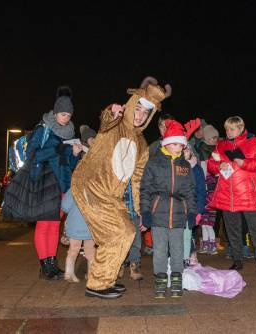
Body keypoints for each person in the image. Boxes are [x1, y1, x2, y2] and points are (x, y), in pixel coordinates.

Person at [71, 77, 171, 299]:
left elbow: (137, 179)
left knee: (127, 230)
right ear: (131, 105)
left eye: (146, 113)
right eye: (138, 109)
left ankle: (103, 280)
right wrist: (111, 111)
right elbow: (105, 121)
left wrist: (139, 210)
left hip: (112, 196)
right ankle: (97, 284)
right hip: (91, 186)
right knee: (115, 232)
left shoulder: (142, 143)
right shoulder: (115, 123)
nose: (140, 115)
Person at [25, 85, 83, 280]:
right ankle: (45, 266)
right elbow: (32, 155)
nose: (65, 118)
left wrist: (74, 154)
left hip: (62, 186)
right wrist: (56, 149)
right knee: (44, 225)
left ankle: (52, 264)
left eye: (68, 115)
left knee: (55, 225)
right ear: (55, 112)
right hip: (44, 182)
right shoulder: (43, 129)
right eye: (62, 114)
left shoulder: (69, 132)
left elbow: (68, 163)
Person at [140, 119, 197, 298]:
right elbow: (146, 189)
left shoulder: (185, 166)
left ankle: (177, 280)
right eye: (175, 144)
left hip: (179, 214)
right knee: (160, 250)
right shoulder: (154, 163)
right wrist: (146, 212)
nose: (178, 148)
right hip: (159, 214)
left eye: (181, 144)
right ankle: (160, 281)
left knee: (178, 249)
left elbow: (190, 190)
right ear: (166, 143)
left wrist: (192, 212)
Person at [207, 116, 256, 275]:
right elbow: (210, 164)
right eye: (227, 129)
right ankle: (237, 260)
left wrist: (245, 163)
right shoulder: (221, 145)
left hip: (249, 194)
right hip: (228, 195)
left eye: (232, 129)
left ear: (241, 128)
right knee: (232, 230)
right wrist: (218, 165)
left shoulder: (253, 142)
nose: (228, 132)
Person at [61, 188, 95, 283]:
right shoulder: (95, 186)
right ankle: (91, 274)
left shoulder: (74, 188)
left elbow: (65, 206)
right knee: (90, 251)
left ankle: (69, 274)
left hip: (75, 224)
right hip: (91, 225)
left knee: (73, 250)